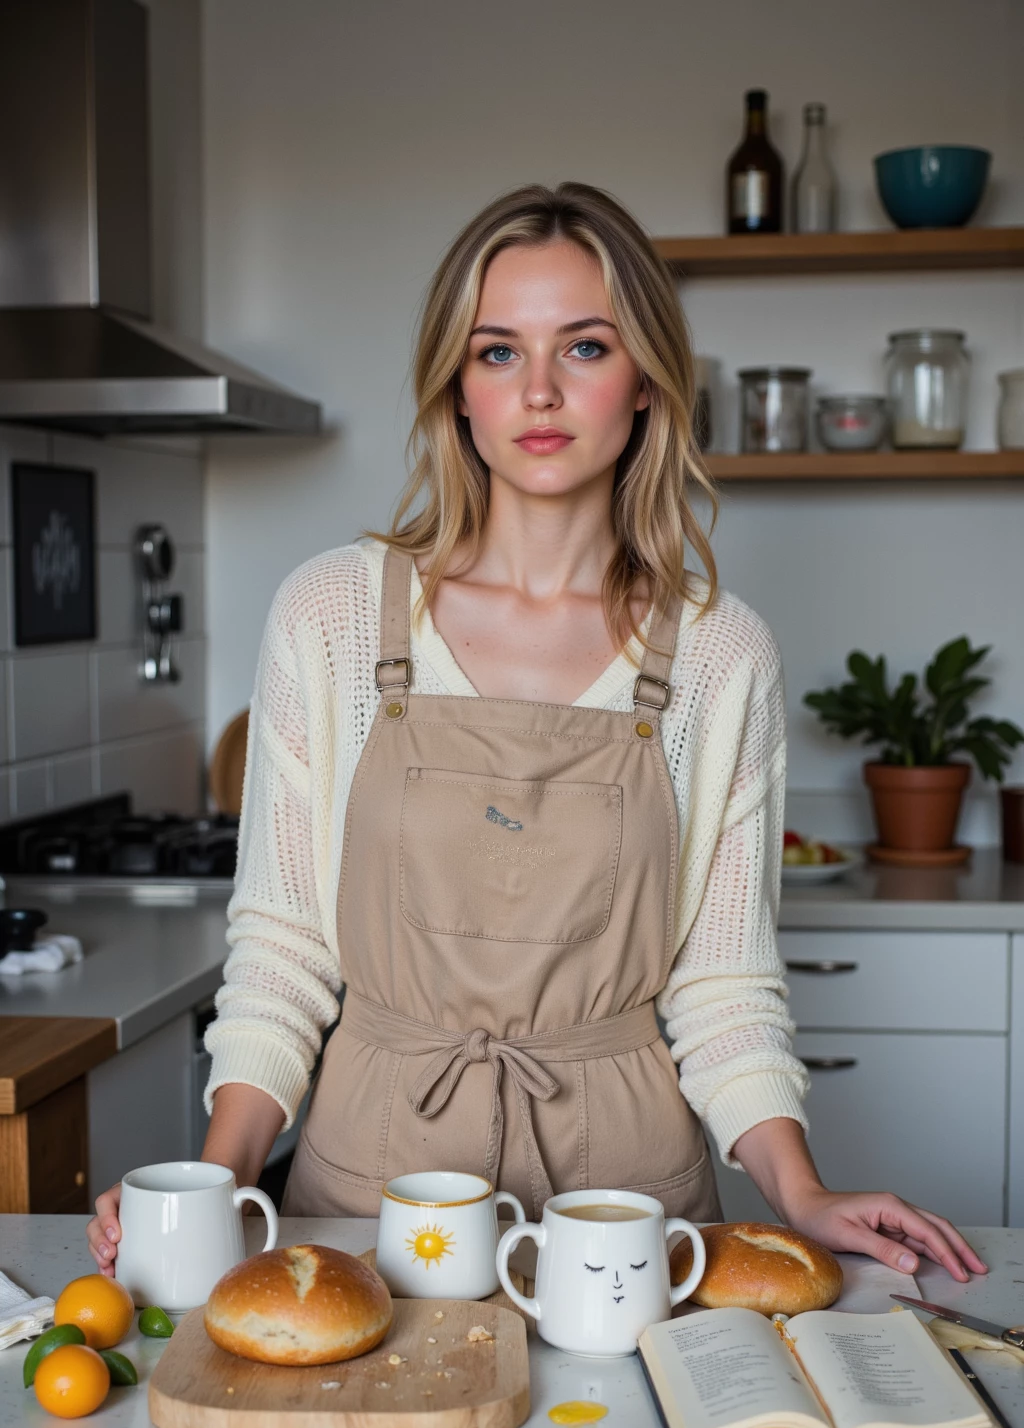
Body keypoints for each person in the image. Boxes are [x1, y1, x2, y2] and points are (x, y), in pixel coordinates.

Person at [88, 182, 984, 1285]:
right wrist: (217, 1176)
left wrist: (801, 1191)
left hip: (626, 1209)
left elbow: (722, 983)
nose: (543, 390)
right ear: (456, 389)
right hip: (370, 1199)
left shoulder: (716, 653)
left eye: (586, 347)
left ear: (648, 379)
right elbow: (283, 947)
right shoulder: (330, 615)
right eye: (499, 352)